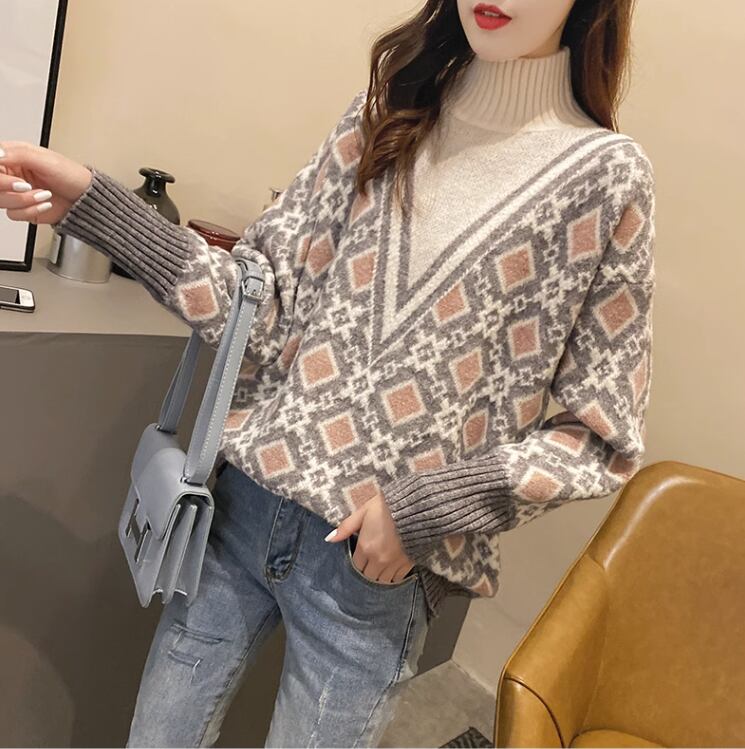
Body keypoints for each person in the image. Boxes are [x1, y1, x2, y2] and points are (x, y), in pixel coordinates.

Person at [0, 0, 656, 745]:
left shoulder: (605, 179)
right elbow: (256, 307)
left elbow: (599, 437)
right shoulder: (385, 115)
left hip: (374, 573)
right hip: (241, 511)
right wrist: (96, 206)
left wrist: (423, 510)